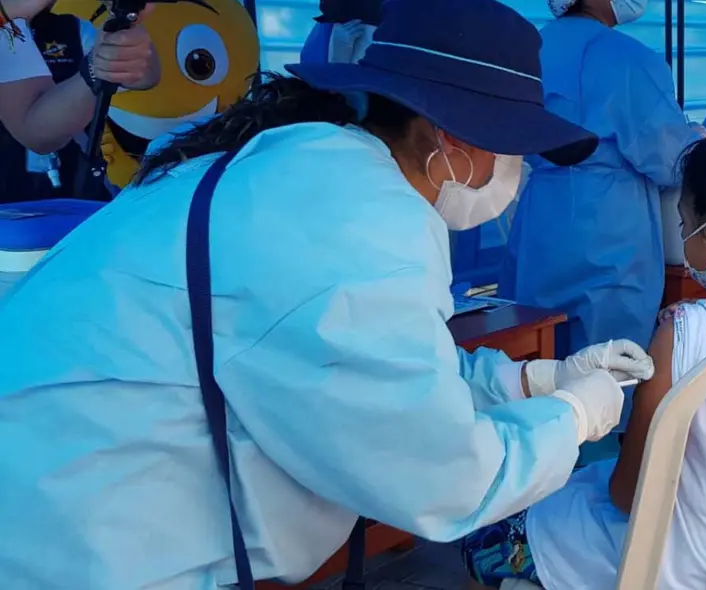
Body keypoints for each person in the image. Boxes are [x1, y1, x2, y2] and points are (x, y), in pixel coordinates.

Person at [0, 1, 657, 588]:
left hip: (58, 483)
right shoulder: (362, 223)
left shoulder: (311, 168)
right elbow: (444, 477)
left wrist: (530, 382)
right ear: (450, 139)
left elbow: (386, 369)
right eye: (510, 150)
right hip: (81, 527)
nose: (512, 173)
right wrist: (574, 416)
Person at [463, 126, 706, 590]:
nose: (684, 239)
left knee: (487, 541)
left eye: (685, 225)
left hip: (673, 564)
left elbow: (628, 495)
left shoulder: (685, 332)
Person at [500, 0, 699, 365]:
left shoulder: (528, 49)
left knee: (537, 362)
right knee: (608, 371)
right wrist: (699, 141)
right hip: (611, 229)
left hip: (540, 221)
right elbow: (670, 160)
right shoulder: (627, 58)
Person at [0, 0, 159, 164]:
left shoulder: (70, 28)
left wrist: (127, 30)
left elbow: (144, 76)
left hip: (72, 180)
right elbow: (37, 135)